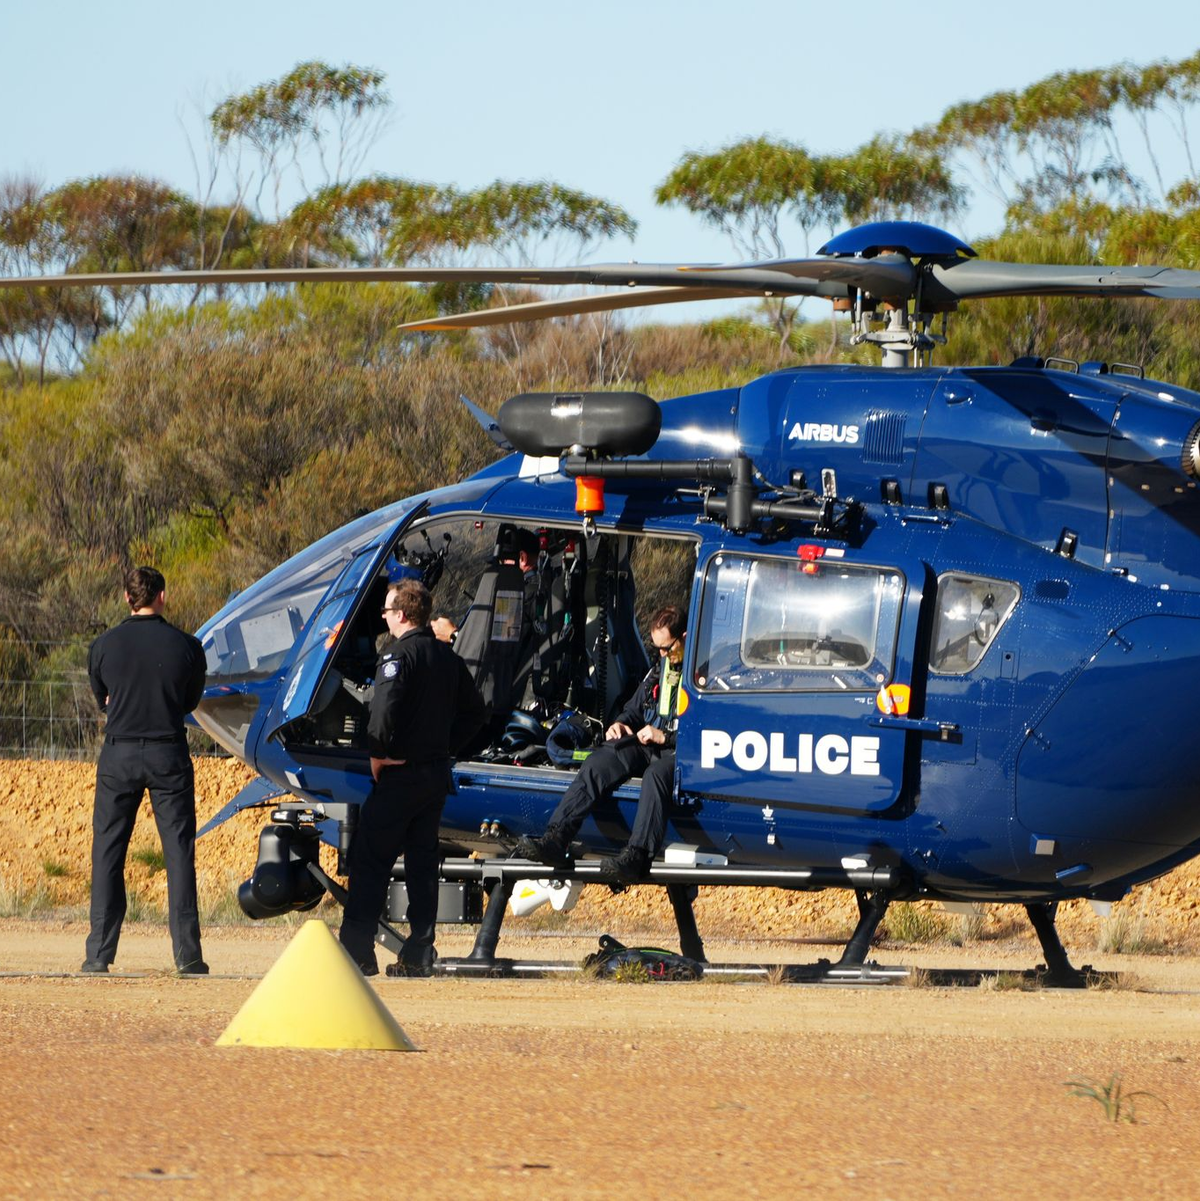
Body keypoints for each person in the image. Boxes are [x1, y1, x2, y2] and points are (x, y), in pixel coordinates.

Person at [339, 579, 486, 976]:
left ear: (401, 615)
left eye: (387, 611)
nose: (384, 617)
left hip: (400, 774)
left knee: (369, 860)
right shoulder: (447, 658)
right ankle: (420, 950)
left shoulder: (397, 657)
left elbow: (383, 711)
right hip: (434, 777)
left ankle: (357, 951)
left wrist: (379, 754)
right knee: (423, 866)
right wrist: (445, 747)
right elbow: (476, 712)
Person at [83, 566, 208, 974]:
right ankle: (188, 957)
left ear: (126, 598)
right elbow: (190, 701)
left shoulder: (103, 645)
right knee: (178, 854)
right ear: (163, 596)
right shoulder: (188, 647)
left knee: (107, 853)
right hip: (168, 753)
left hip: (118, 755)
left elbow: (101, 696)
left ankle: (98, 955)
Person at [516, 605, 686, 884]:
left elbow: (709, 734)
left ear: (685, 637)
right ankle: (557, 837)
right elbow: (634, 709)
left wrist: (665, 737)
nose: (662, 655)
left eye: (667, 648)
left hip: (680, 751)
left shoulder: (701, 674)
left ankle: (638, 856)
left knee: (656, 776)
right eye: (658, 649)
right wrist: (619, 723)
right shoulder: (659, 670)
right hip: (648, 744)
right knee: (600, 759)